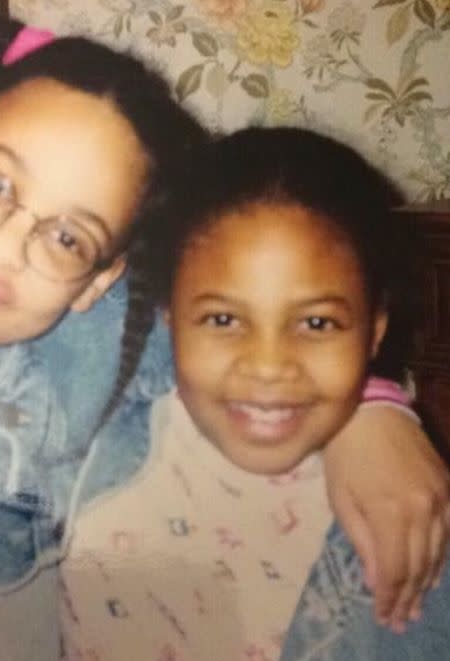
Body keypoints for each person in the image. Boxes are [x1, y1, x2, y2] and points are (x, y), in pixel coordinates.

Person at [0, 15, 447, 661]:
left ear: (96, 282)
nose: (7, 242)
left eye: (67, 237)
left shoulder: (84, 357)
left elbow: (241, 351)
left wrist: (372, 405)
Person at [59, 127, 450, 661]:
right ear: (168, 319)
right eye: (223, 319)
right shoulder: (99, 421)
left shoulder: (409, 532)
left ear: (375, 330)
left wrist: (378, 400)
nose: (268, 366)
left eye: (316, 323)